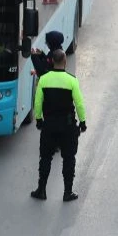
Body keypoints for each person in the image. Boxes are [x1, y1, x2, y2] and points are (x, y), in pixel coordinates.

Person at [30, 49, 87, 203]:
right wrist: (82, 122)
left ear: (52, 62)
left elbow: (37, 102)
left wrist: (39, 119)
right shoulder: (72, 80)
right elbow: (79, 104)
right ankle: (67, 192)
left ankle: (41, 190)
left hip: (49, 126)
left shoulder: (44, 79)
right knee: (69, 159)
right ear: (65, 62)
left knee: (45, 158)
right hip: (67, 127)